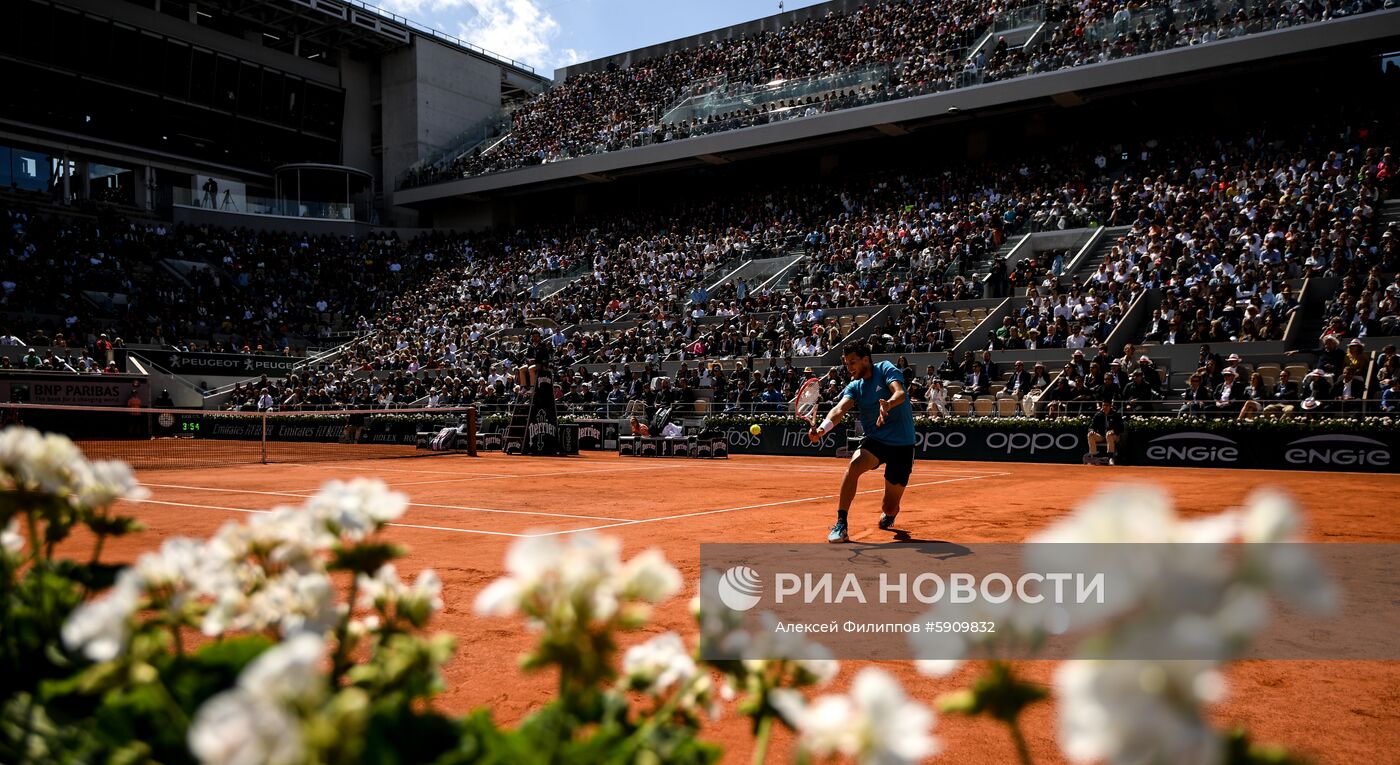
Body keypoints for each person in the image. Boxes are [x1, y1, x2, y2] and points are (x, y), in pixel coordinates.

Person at [808, 342, 915, 543]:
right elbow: (839, 409)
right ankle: (841, 523)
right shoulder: (855, 386)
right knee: (854, 465)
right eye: (846, 363)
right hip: (876, 440)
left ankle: (890, 514)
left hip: (902, 444)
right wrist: (823, 428)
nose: (849, 368)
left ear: (865, 360)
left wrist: (888, 404)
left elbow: (900, 393)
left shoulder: (885, 369)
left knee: (889, 506)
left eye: (852, 362)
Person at [1086, 400, 1124, 465]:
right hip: (1102, 436)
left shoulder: (1116, 415)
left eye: (1107, 405)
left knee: (1108, 435)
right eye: (1103, 405)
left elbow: (1121, 428)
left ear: (1110, 406)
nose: (1105, 407)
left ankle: (1110, 458)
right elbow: (1091, 426)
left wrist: (1114, 431)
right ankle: (1094, 458)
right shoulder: (1098, 415)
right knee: (1090, 435)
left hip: (1114, 436)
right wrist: (1091, 430)